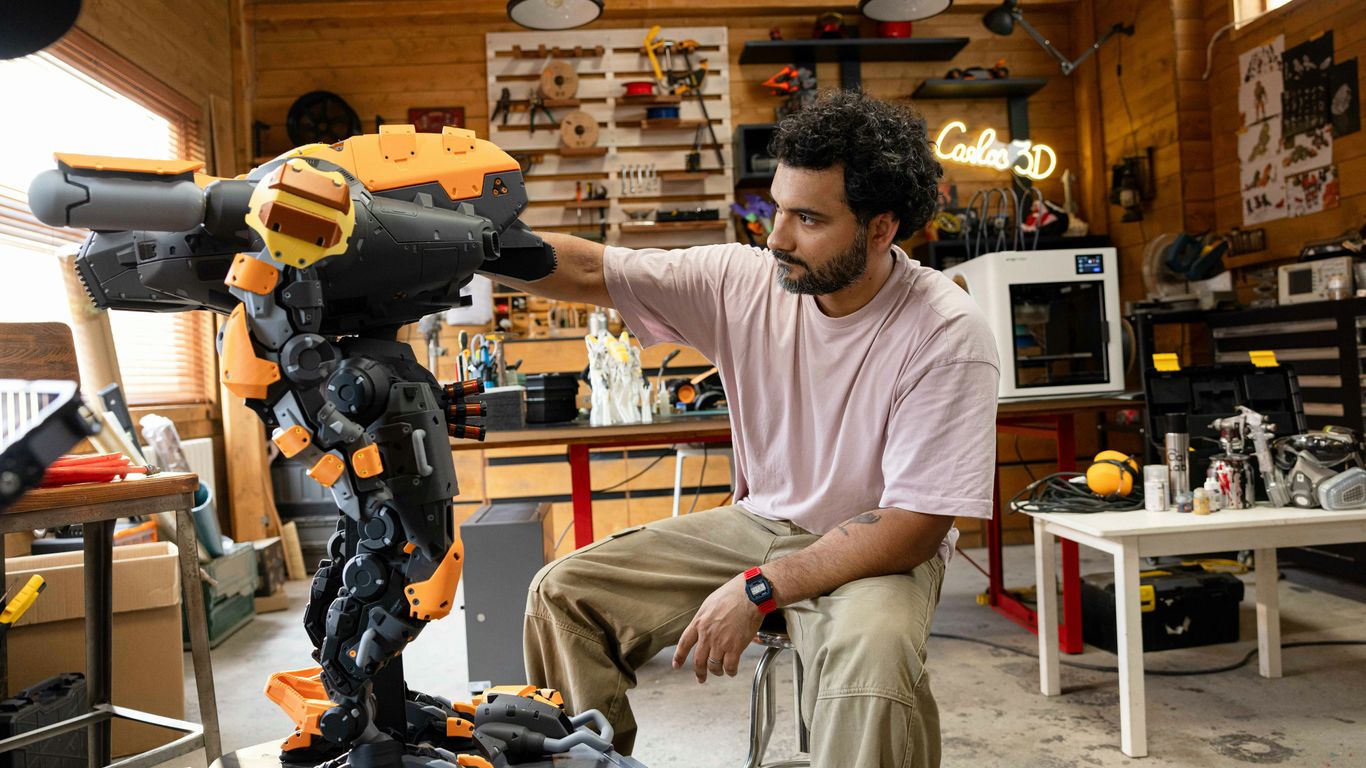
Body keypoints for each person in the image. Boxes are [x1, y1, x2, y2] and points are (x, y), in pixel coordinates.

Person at [484, 89, 999, 768]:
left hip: (879, 546)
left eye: (809, 218)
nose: (777, 237)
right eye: (776, 209)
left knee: (869, 664)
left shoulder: (945, 331)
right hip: (761, 523)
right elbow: (589, 268)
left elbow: (912, 527)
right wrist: (461, 247)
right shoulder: (743, 280)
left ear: (880, 230)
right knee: (563, 596)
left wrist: (761, 586)